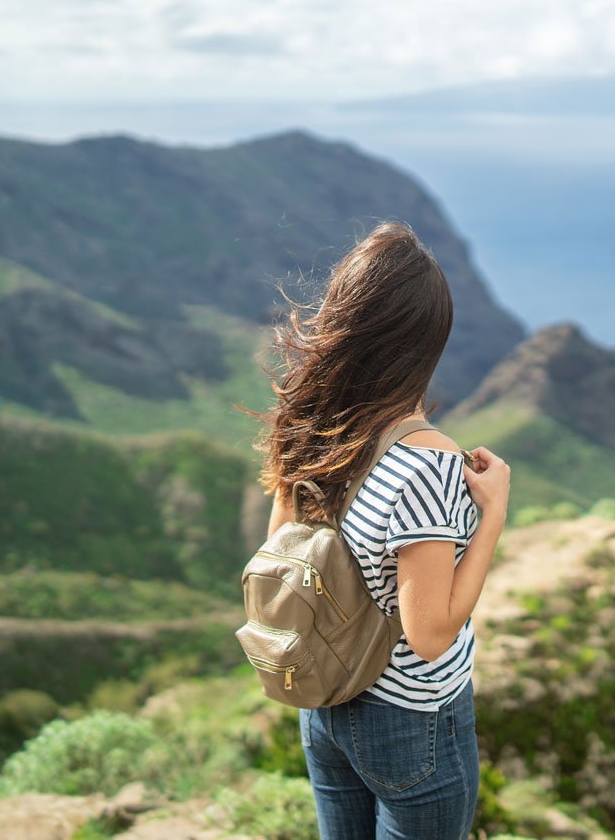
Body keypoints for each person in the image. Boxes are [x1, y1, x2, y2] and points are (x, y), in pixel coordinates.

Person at [249, 220, 511, 839]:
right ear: (426, 343)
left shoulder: (310, 430)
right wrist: (492, 515)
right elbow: (430, 635)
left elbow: (280, 551)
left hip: (325, 697)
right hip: (411, 719)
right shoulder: (429, 463)